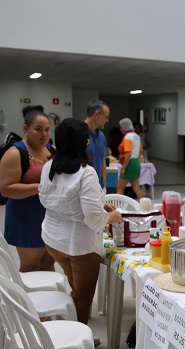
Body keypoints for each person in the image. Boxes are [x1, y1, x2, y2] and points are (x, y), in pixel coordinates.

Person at [39, 119, 122, 324]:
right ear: (85, 144)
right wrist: (111, 217)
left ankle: (71, 328)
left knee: (76, 287)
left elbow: (62, 199)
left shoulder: (49, 166)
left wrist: (99, 204)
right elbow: (94, 220)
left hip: (53, 240)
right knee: (82, 298)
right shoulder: (85, 172)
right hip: (79, 246)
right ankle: (74, 343)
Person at [0, 106, 56, 272]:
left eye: (47, 130)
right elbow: (6, 189)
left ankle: (49, 297)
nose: (44, 134)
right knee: (31, 265)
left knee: (48, 262)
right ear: (26, 129)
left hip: (50, 217)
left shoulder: (52, 151)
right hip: (25, 218)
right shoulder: (15, 153)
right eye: (38, 129)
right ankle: (26, 298)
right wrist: (41, 187)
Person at [83, 99, 110, 189]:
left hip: (99, 187)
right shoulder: (79, 134)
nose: (107, 121)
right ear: (97, 114)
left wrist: (104, 185)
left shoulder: (101, 136)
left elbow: (102, 161)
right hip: (84, 187)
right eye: (106, 117)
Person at [117, 118, 143, 197]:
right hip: (136, 162)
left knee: (120, 187)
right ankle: (145, 208)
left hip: (129, 163)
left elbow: (128, 153)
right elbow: (140, 150)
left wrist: (124, 168)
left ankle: (117, 208)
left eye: (121, 127)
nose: (120, 129)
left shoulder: (127, 137)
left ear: (124, 128)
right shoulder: (137, 136)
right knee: (136, 188)